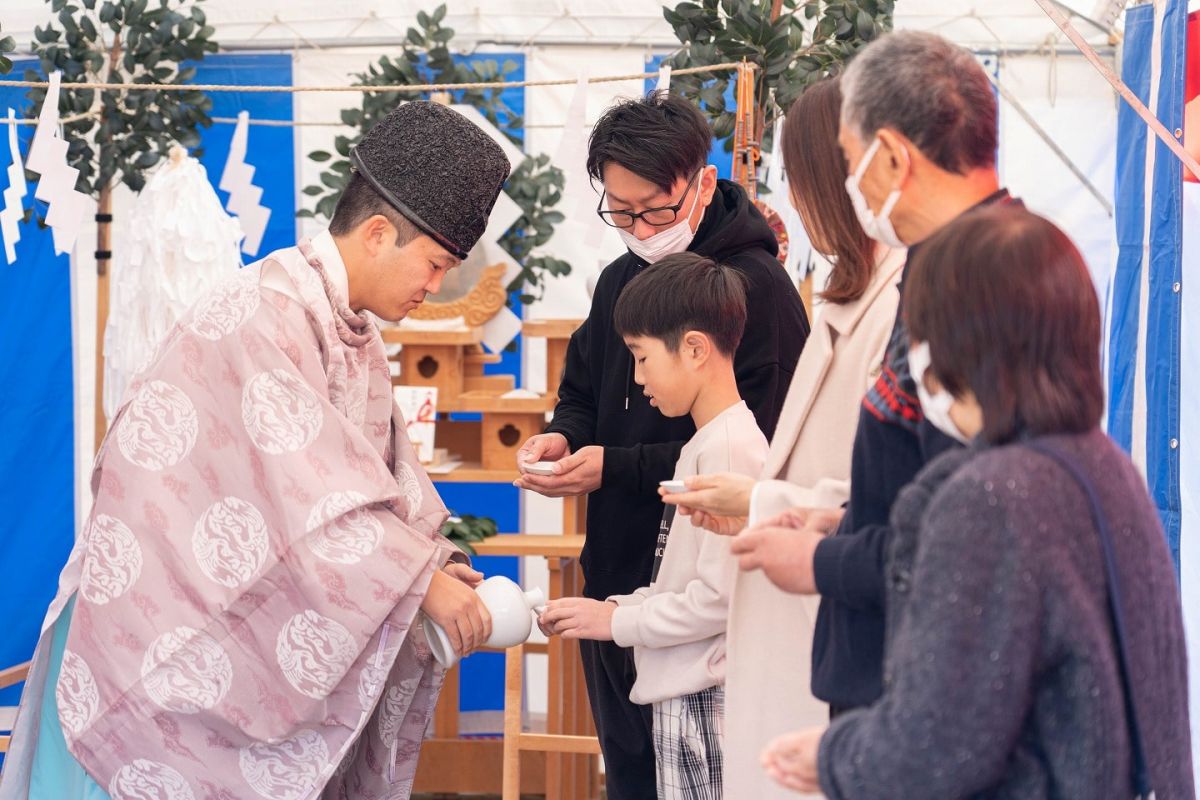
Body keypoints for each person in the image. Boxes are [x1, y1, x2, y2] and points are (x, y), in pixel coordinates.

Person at [0, 101, 509, 800]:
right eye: (434, 264)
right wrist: (420, 582)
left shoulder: (347, 329)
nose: (435, 287)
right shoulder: (264, 317)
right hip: (155, 646)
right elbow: (312, 509)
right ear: (380, 232)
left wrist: (438, 565)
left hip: (204, 635)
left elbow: (380, 483)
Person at [760, 206, 1195, 799]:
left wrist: (833, 757)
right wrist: (840, 525)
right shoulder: (1104, 466)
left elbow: (939, 746)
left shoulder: (990, 496)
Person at [513, 91, 809, 798]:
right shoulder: (621, 280)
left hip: (703, 622)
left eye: (655, 208)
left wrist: (613, 466)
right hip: (618, 578)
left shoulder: (757, 293)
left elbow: (769, 450)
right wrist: (562, 436)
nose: (639, 227)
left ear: (704, 183)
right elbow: (581, 387)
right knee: (632, 771)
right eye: (620, 210)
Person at [727, 31, 1019, 715]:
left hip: (922, 688)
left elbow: (970, 534)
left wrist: (822, 559)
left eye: (849, 161)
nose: (845, 185)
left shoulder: (974, 285)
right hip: (885, 676)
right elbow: (923, 481)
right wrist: (839, 521)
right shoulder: (937, 270)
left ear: (890, 154)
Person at [659, 76, 905, 799]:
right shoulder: (845, 294)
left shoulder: (900, 305)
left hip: (831, 629)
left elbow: (889, 497)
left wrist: (761, 503)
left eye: (799, 179)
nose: (794, 201)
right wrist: (757, 501)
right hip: (790, 627)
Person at [539, 252, 768, 800]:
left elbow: (717, 603)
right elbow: (684, 584)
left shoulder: (731, 450)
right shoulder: (703, 444)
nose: (637, 378)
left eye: (641, 358)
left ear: (693, 348)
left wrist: (614, 623)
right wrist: (616, 609)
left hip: (706, 695)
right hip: (680, 690)